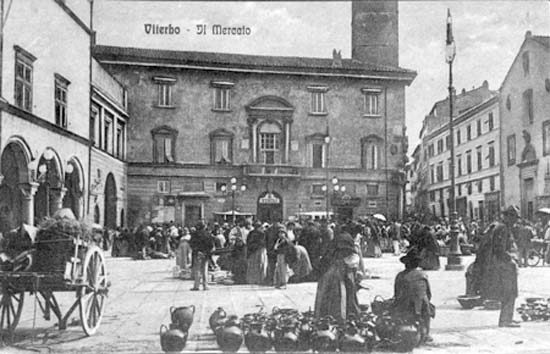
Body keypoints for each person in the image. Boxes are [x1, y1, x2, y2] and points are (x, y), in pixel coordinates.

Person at [466, 206, 520, 327]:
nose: (515, 221)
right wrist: (511, 259)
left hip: (500, 264)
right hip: (504, 265)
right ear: (508, 217)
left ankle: (507, 318)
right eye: (514, 218)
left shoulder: (499, 227)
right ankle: (506, 320)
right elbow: (499, 248)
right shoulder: (503, 229)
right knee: (509, 292)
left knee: (508, 292)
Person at [314, 231, 361, 322]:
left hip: (334, 278)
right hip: (337, 279)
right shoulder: (345, 251)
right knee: (340, 300)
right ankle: (341, 319)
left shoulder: (334, 251)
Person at [392, 248, 434, 344]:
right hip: (422, 305)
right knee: (427, 305)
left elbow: (396, 293)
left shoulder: (400, 276)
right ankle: (426, 333)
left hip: (405, 305)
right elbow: (429, 293)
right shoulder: (423, 275)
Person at [189, 221, 214, 291]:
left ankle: (196, 286)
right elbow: (211, 245)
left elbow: (191, 244)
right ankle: (205, 285)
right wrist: (206, 252)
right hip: (205, 254)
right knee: (205, 270)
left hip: (197, 253)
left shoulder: (194, 234)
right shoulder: (208, 234)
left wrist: (197, 251)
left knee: (197, 270)